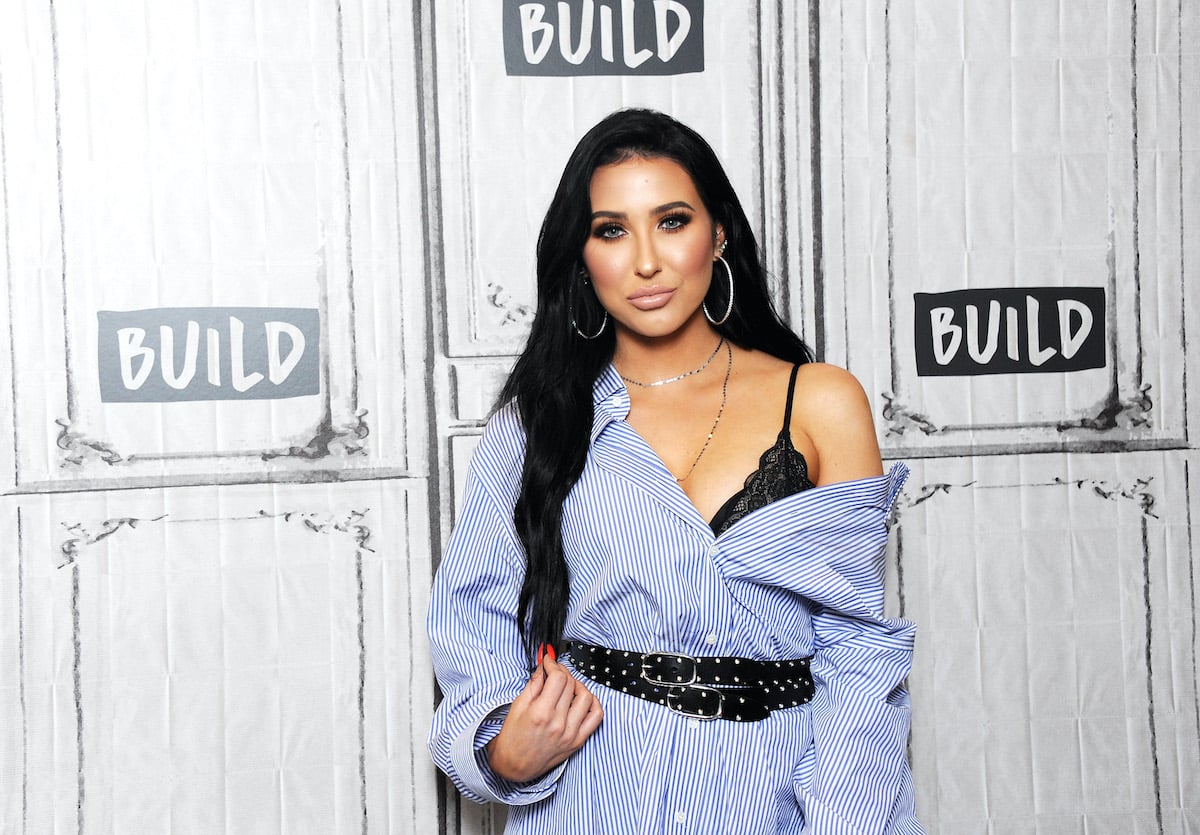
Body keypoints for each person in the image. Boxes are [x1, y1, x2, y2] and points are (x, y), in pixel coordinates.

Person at [428, 108, 922, 833]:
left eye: (671, 221)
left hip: (773, 799)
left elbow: (857, 652)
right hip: (594, 795)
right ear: (581, 256)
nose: (646, 262)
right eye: (611, 230)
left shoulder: (819, 400)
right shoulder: (538, 423)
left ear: (717, 233)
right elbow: (474, 614)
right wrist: (503, 748)